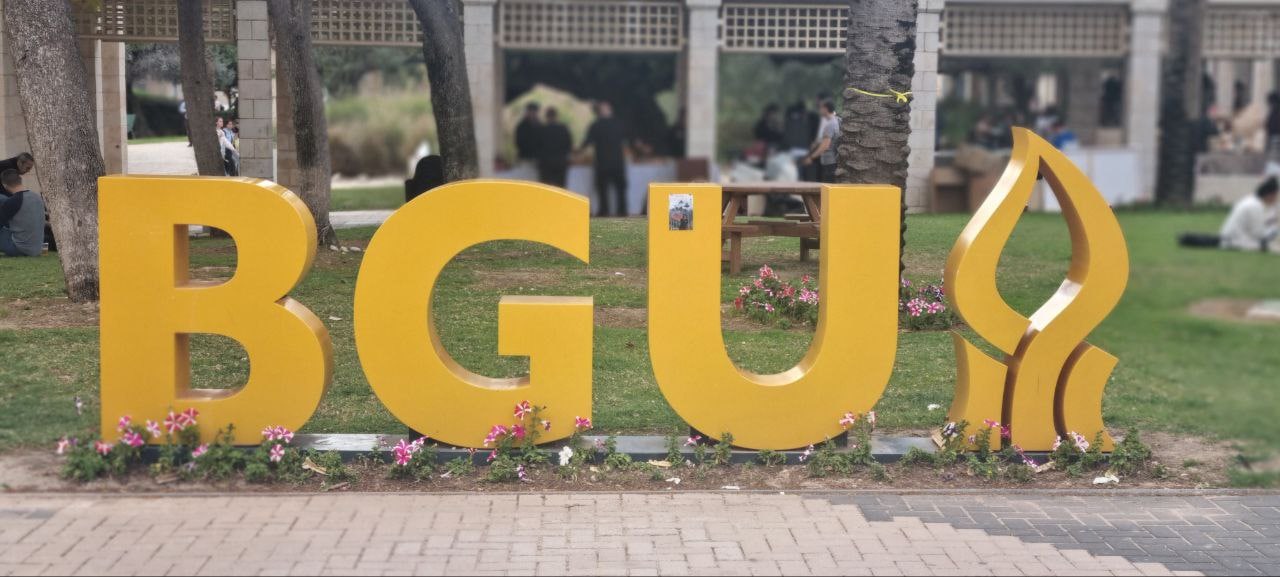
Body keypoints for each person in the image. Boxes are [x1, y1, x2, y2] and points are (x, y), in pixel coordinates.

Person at [580, 101, 628, 217]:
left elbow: (587, 142)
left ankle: (604, 212)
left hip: (602, 162)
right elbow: (628, 140)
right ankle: (622, 212)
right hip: (617, 162)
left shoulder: (596, 125)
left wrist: (577, 151)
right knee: (620, 190)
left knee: (603, 190)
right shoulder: (619, 124)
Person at [1219, 177, 1279, 253]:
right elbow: (1258, 234)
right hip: (1234, 242)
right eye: (1276, 195)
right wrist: (1272, 229)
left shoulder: (1251, 200)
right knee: (1272, 248)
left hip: (1230, 240)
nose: (1276, 199)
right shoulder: (1256, 206)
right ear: (1269, 195)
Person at [0, 169, 45, 257]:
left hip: (19, 249)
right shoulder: (37, 197)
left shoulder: (13, 201)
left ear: (4, 185)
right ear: (20, 180)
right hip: (37, 249)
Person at [802, 100, 839, 183]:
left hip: (829, 163)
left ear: (825, 109)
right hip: (834, 162)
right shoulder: (837, 121)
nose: (819, 110)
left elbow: (825, 146)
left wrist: (811, 158)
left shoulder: (829, 125)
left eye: (821, 108)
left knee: (827, 188)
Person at [538, 107, 572, 187]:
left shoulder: (542, 130)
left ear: (547, 117)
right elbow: (569, 145)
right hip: (561, 163)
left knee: (545, 189)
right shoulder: (563, 129)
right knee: (561, 190)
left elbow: (537, 146)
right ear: (556, 116)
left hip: (545, 164)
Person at [515, 102, 542, 166]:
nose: (532, 113)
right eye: (531, 111)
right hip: (525, 157)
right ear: (527, 112)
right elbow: (518, 142)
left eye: (534, 111)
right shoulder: (522, 126)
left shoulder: (540, 125)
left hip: (537, 158)